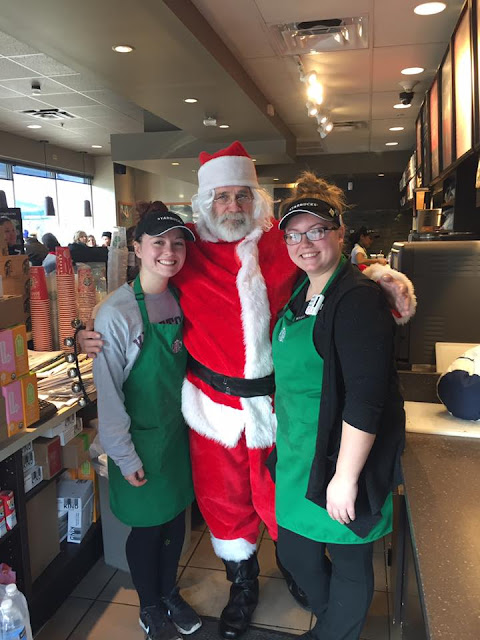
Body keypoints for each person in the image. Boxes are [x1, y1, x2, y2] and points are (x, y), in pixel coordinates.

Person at [79, 142, 416, 640]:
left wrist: (379, 278)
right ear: (205, 203)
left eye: (241, 195)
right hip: (211, 407)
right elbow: (144, 288)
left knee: (282, 494)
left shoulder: (284, 243)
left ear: (255, 199)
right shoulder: (187, 250)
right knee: (225, 501)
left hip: (280, 405)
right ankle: (242, 583)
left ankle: (298, 569)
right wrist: (88, 329)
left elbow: (326, 268)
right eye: (221, 196)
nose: (232, 206)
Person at [272, 173, 405, 640]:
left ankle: (335, 632)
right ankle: (334, 621)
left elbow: (366, 399)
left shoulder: (357, 299)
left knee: (348, 555)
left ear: (340, 232)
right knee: (295, 554)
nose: (305, 243)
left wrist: (345, 478)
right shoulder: (301, 287)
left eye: (316, 231)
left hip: (340, 453)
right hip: (297, 452)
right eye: (294, 234)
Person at [93, 208, 201, 640]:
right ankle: (150, 605)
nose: (169, 252)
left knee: (175, 522)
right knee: (148, 528)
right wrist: (123, 454)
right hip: (138, 441)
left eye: (177, 243)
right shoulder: (116, 313)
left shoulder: (183, 297)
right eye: (158, 242)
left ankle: (169, 591)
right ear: (136, 248)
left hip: (176, 436)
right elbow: (109, 394)